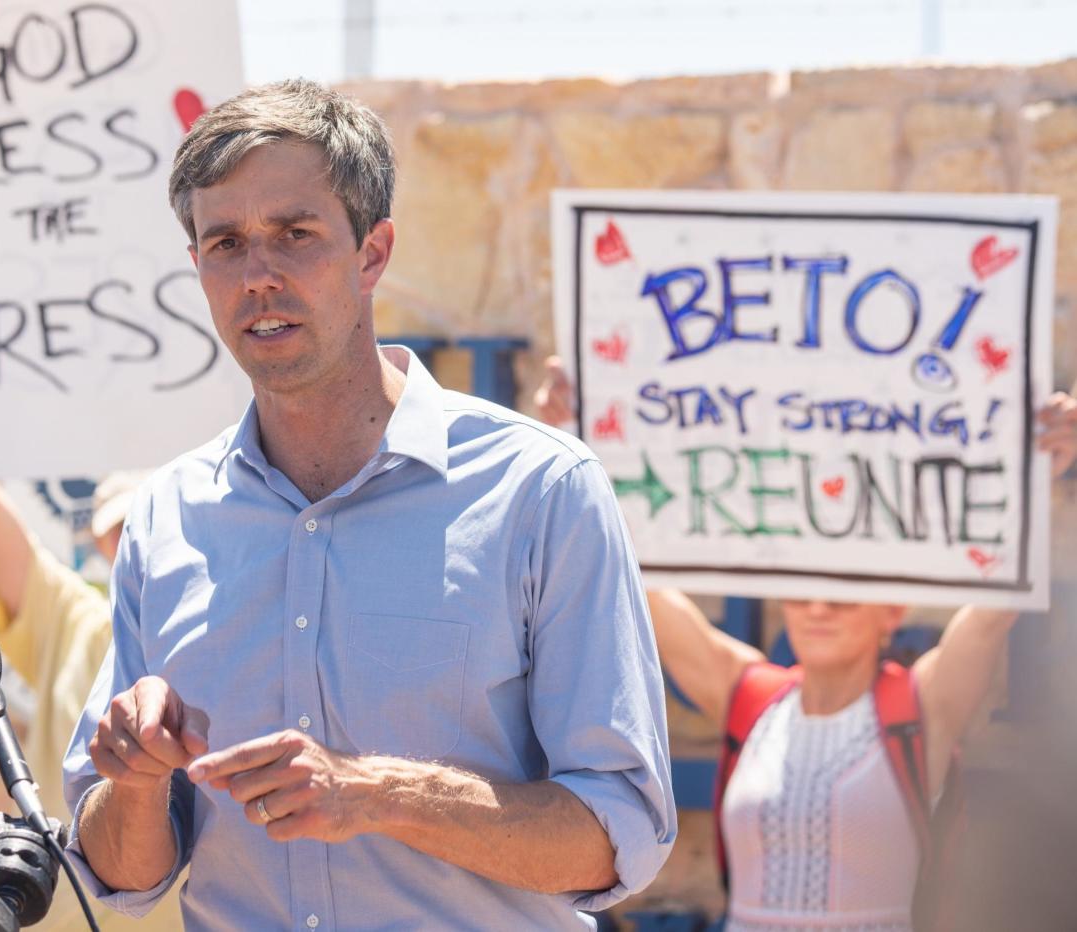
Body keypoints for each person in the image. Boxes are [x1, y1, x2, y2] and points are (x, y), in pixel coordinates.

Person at [60, 79, 676, 931]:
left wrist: (375, 794)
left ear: (372, 253)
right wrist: (132, 782)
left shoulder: (541, 491)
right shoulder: (167, 516)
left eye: (295, 235)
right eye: (226, 243)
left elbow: (619, 838)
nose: (259, 276)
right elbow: (120, 876)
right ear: (197, 267)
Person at [534, 356, 1077, 930]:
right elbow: (638, 576)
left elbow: (992, 617)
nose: (818, 608)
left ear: (891, 611)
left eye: (843, 594)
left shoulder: (922, 707)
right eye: (802, 588)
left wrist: (1040, 477)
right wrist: (578, 439)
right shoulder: (751, 696)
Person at [0, 258, 184, 929]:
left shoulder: (235, 616)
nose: (138, 541)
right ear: (103, 543)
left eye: (154, 522)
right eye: (122, 527)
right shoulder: (72, 619)